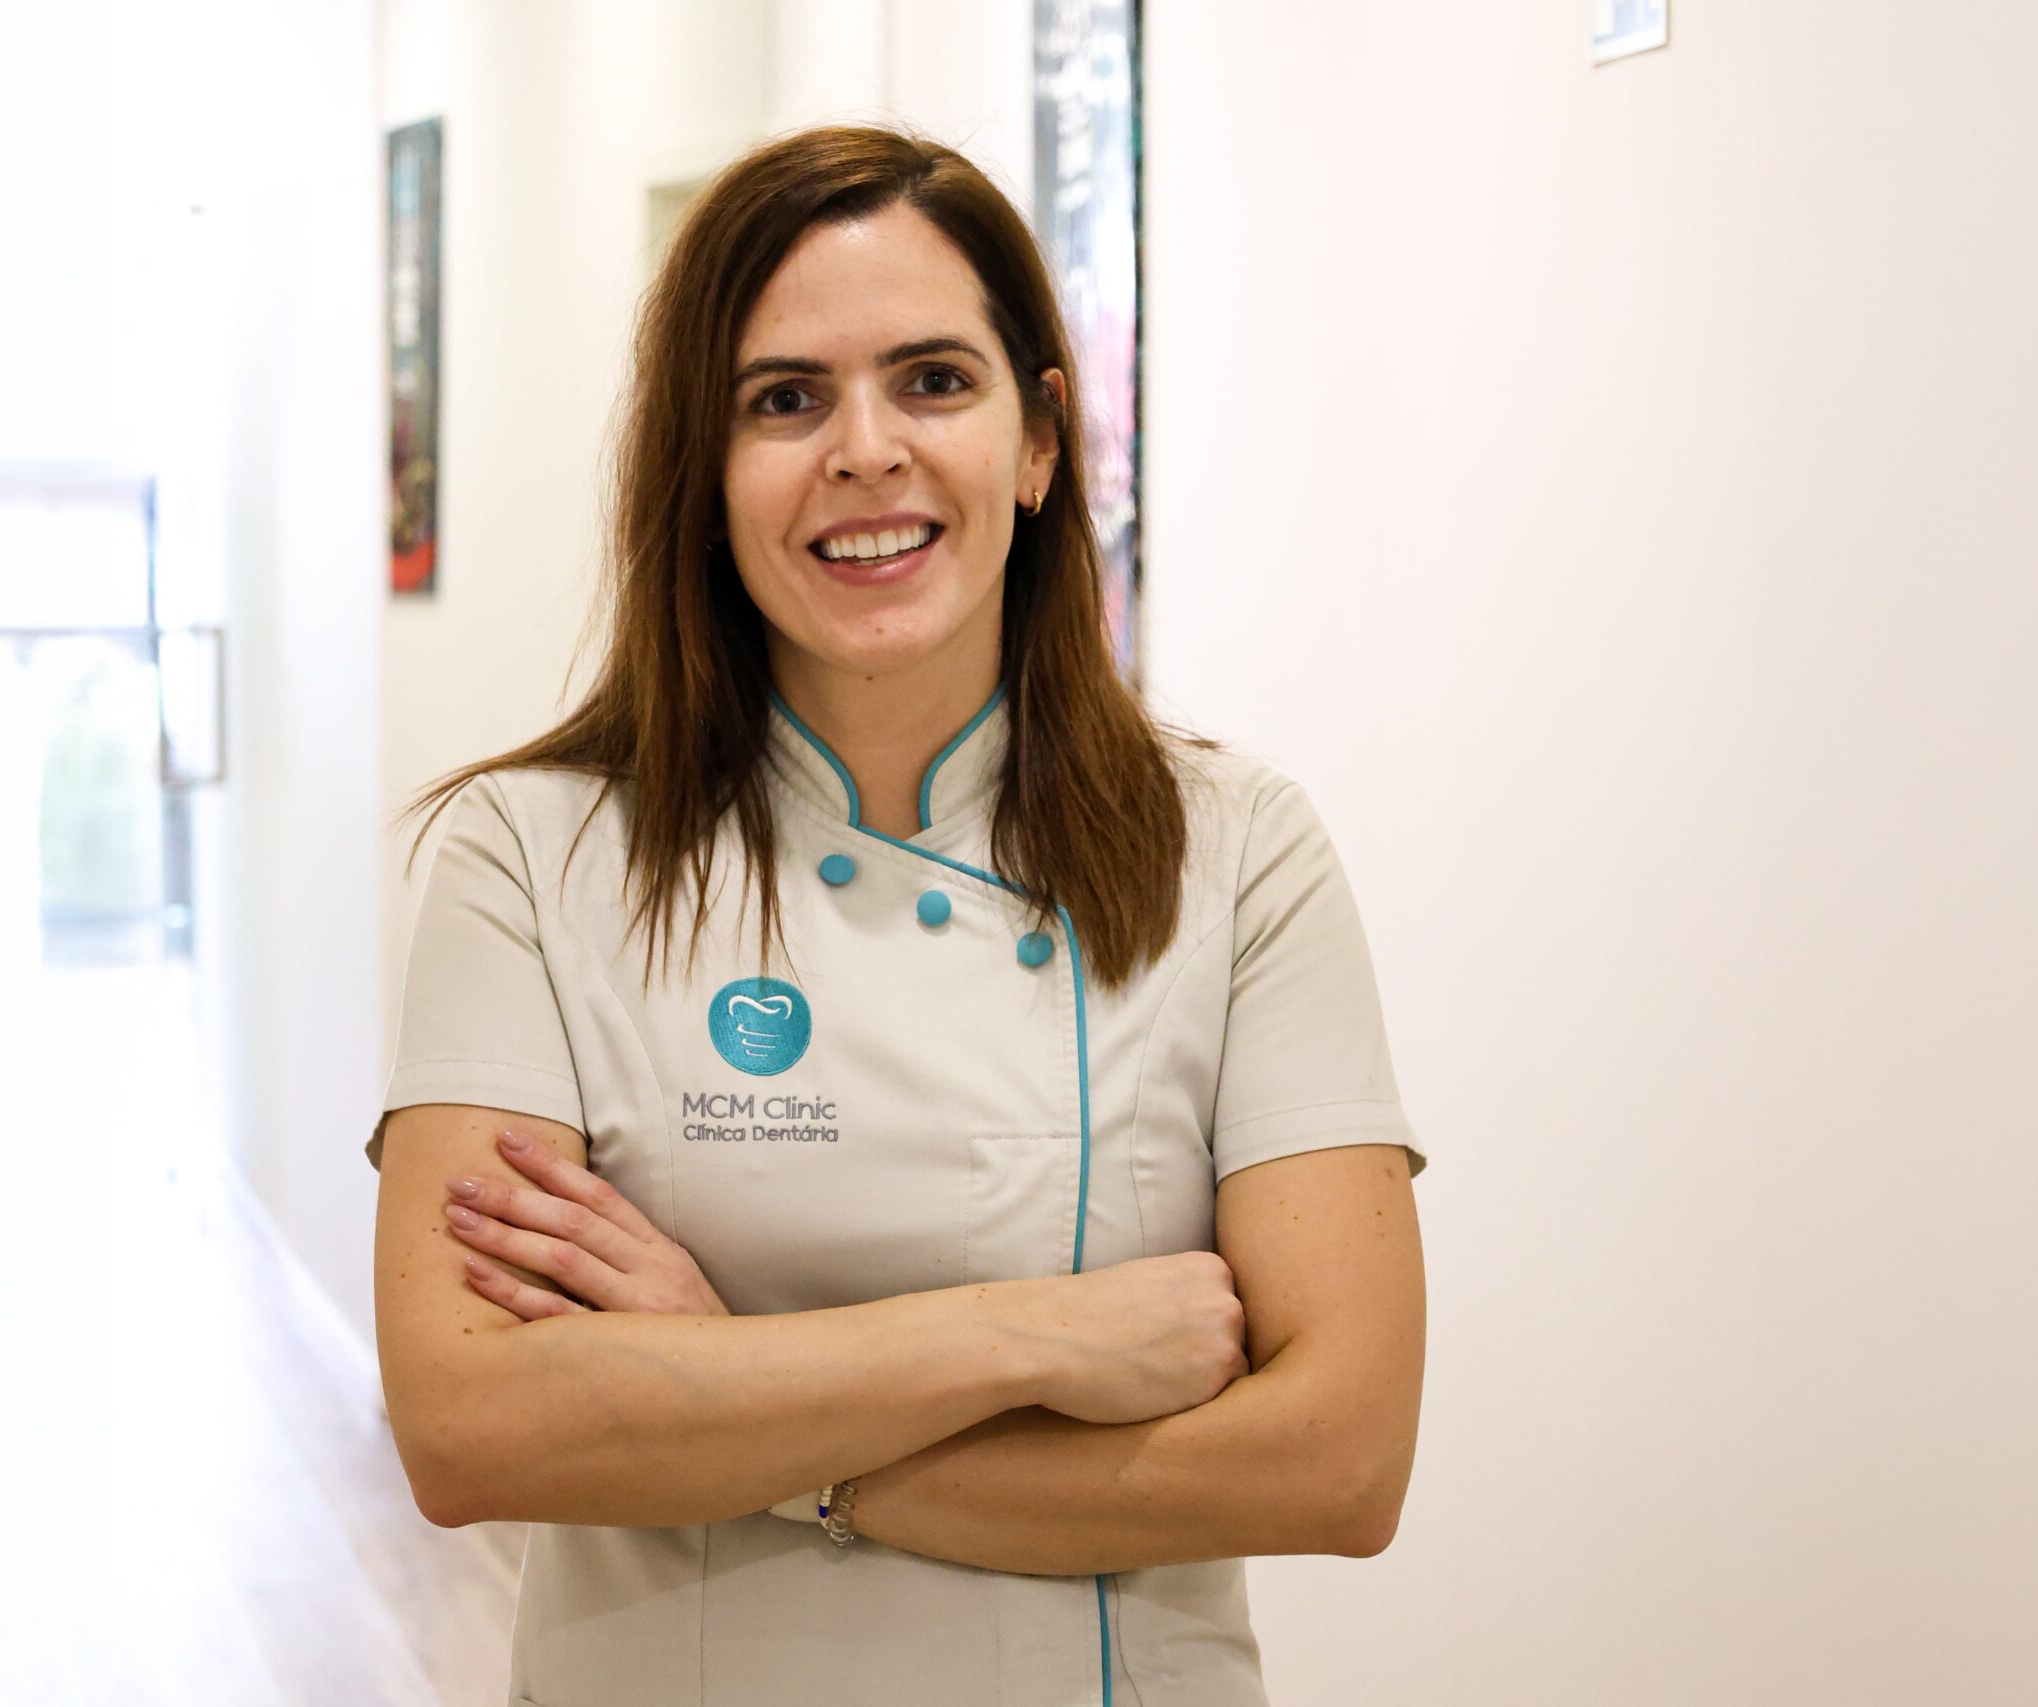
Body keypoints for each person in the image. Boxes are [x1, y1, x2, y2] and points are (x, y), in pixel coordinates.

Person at [367, 122, 1428, 1707]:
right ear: (703, 468)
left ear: (1041, 441)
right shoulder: (531, 857)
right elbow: (470, 1430)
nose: (865, 451)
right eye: (784, 400)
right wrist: (1033, 1340)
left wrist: (734, 1403)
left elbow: (1340, 1460)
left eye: (933, 380)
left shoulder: (1237, 852)